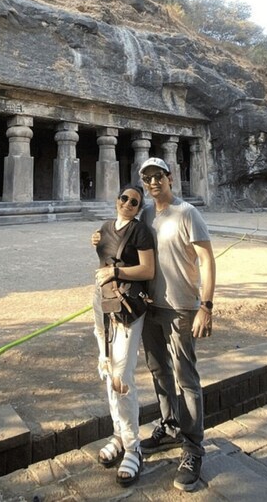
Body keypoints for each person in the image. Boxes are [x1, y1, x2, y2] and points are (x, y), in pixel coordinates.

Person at [136, 156, 216, 493]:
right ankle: (169, 427)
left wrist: (206, 307)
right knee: (158, 371)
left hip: (182, 308)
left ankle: (194, 449)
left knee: (186, 378)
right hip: (151, 307)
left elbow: (208, 259)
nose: (153, 182)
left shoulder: (187, 213)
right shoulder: (146, 214)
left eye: (159, 176)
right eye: (147, 178)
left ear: (170, 177)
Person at [91, 184, 154, 486]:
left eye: (135, 202)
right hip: (103, 302)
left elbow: (147, 269)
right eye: (124, 198)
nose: (128, 203)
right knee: (107, 370)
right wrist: (97, 244)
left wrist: (117, 273)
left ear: (139, 208)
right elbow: (104, 258)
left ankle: (133, 447)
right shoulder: (104, 227)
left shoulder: (140, 231)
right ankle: (118, 435)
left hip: (129, 306)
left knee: (123, 378)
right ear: (116, 200)